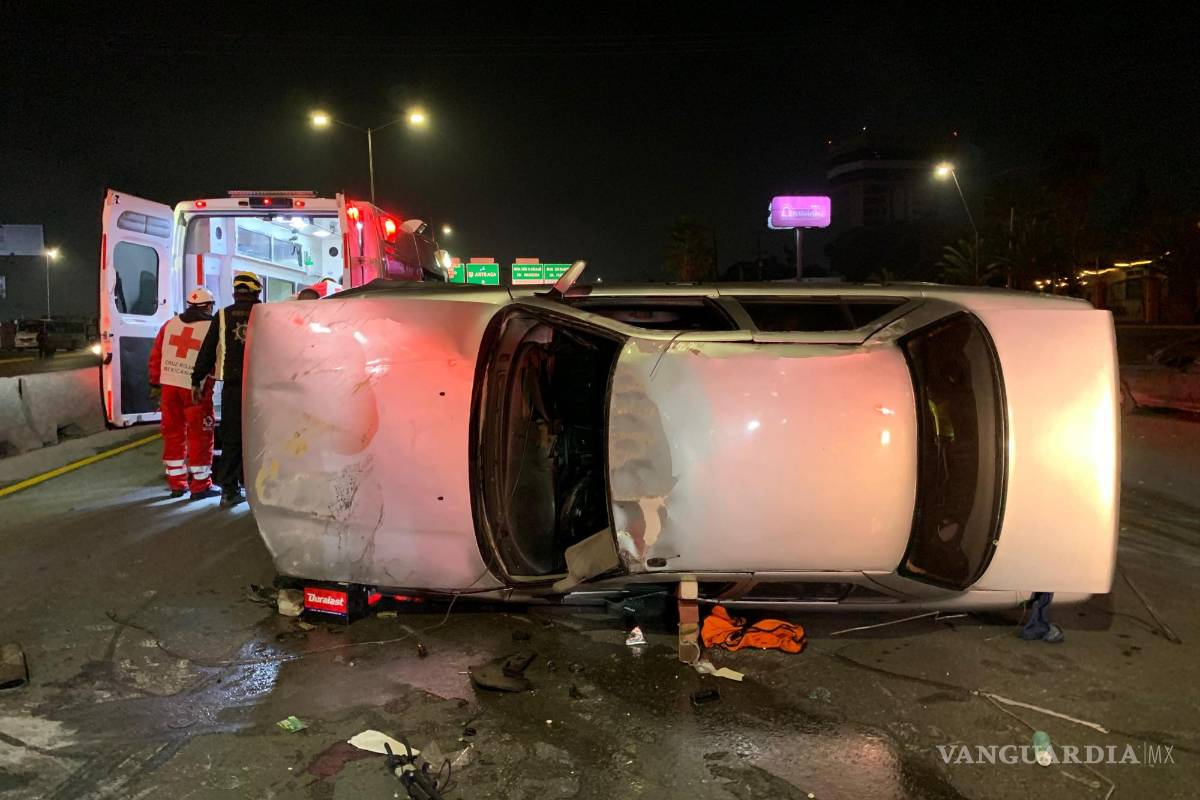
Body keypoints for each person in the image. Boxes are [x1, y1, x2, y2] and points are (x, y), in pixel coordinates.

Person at [192, 271, 261, 507]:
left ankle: (229, 491)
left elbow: (207, 350)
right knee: (260, 438)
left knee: (232, 439)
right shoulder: (266, 314)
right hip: (261, 388)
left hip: (232, 388)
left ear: (235, 292)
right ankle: (258, 488)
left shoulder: (222, 315)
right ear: (257, 292)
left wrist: (196, 379)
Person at [149, 288, 218, 499]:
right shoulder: (211, 328)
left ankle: (176, 484)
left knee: (173, 433)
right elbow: (215, 361)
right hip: (195, 389)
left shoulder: (170, 325)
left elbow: (156, 356)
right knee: (200, 435)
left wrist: (154, 383)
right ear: (208, 306)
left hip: (168, 387)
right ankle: (200, 485)